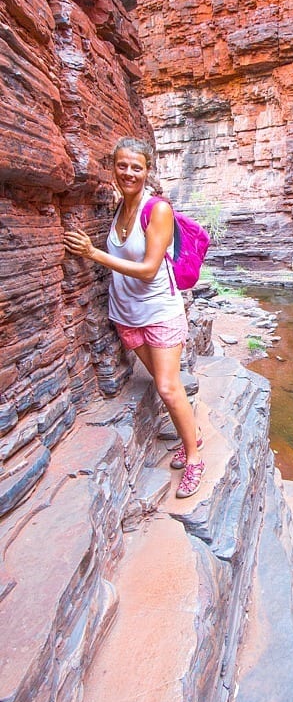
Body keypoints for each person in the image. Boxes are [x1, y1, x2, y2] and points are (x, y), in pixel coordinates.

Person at [64, 136, 205, 499]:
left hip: (159, 311)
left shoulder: (156, 209)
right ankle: (191, 431)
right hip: (125, 314)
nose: (129, 172)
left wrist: (93, 253)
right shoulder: (118, 207)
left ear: (148, 170)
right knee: (164, 384)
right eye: (122, 165)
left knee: (167, 387)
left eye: (136, 167)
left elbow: (147, 269)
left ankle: (193, 458)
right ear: (113, 167)